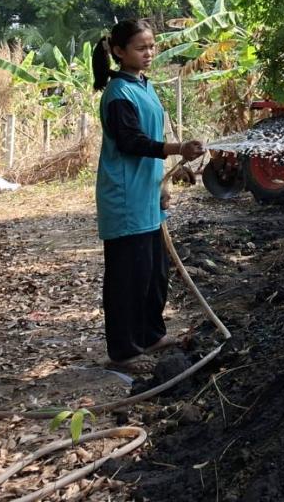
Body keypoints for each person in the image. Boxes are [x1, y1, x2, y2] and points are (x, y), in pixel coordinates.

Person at [92, 19, 204, 367]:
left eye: (152, 46)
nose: (149, 53)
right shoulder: (118, 94)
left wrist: (174, 171)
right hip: (126, 198)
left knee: (154, 273)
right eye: (141, 48)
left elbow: (154, 131)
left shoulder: (144, 86)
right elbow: (131, 142)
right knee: (128, 276)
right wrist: (176, 148)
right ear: (119, 52)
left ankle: (151, 335)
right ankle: (124, 349)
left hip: (148, 196)